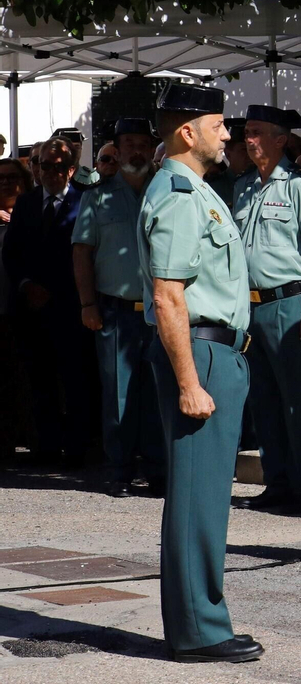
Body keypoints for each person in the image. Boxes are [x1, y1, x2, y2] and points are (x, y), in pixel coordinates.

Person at [139, 82, 260, 664]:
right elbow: (167, 296)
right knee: (197, 497)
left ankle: (202, 618)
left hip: (217, 352)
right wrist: (189, 381)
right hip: (201, 354)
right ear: (188, 132)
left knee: (208, 496)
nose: (228, 134)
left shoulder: (199, 190)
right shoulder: (182, 193)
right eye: (219, 125)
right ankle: (198, 629)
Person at [232, 105, 301, 515]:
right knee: (263, 400)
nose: (247, 139)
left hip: (287, 303)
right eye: (246, 132)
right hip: (249, 307)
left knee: (294, 400)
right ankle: (278, 482)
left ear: (280, 140)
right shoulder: (243, 187)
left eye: (255, 132)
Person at [72, 119, 165, 497]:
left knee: (160, 391)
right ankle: (120, 470)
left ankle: (159, 469)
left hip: (161, 311)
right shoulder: (98, 194)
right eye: (128, 144)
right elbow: (82, 251)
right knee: (119, 392)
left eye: (143, 144)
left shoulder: (165, 191)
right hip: (115, 309)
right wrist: (87, 303)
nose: (136, 151)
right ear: (118, 149)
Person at [1, 138, 96, 466]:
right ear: (36, 169)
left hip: (70, 308)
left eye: (58, 166)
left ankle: (78, 449)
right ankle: (46, 447)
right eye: (44, 166)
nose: (50, 173)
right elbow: (11, 253)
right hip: (31, 310)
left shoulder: (85, 202)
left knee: (75, 380)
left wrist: (62, 292)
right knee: (38, 381)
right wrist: (27, 285)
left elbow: (87, 254)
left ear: (70, 170)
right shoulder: (26, 204)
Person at [0, 157, 35, 461]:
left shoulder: (35, 214)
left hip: (28, 310)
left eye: (13, 178)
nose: (7, 183)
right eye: (1, 179)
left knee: (26, 378)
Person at [206, 118, 251, 204]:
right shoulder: (213, 188)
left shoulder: (261, 182)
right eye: (244, 150)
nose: (250, 154)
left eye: (252, 149)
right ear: (228, 154)